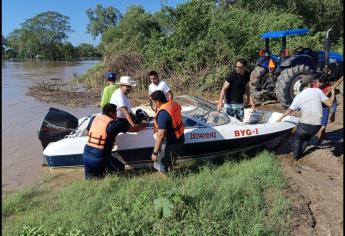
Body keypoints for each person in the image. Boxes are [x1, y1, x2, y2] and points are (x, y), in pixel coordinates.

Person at [277, 75, 335, 161]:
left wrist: (280, 118)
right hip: (317, 124)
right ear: (310, 83)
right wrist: (333, 93)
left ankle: (295, 157)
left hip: (305, 123)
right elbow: (330, 104)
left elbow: (290, 110)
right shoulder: (318, 91)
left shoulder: (299, 96)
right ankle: (300, 154)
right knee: (307, 138)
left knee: (298, 138)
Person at [83, 103, 127, 179]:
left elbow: (87, 132)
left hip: (86, 156)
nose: (116, 115)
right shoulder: (115, 124)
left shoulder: (94, 118)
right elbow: (134, 129)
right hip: (99, 158)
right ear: (111, 113)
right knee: (120, 168)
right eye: (115, 112)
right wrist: (143, 123)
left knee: (92, 180)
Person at [150, 90, 185, 176]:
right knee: (170, 162)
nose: (153, 104)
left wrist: (155, 153)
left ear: (158, 101)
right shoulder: (173, 103)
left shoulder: (163, 114)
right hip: (180, 139)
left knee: (161, 165)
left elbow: (161, 135)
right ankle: (171, 173)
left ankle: (167, 182)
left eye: (153, 102)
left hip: (169, 144)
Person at [311, 80, 337, 144]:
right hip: (315, 109)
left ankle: (319, 142)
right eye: (318, 82)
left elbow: (334, 101)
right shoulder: (313, 86)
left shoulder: (329, 87)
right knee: (312, 126)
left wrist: (333, 113)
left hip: (325, 109)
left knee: (323, 126)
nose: (319, 83)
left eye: (321, 82)